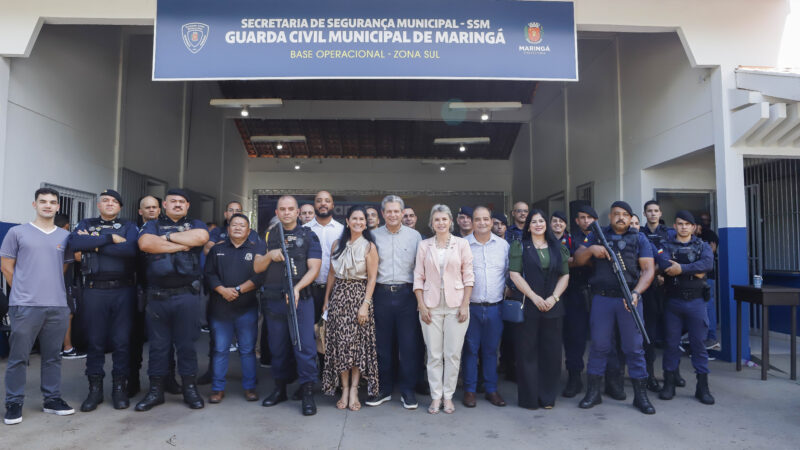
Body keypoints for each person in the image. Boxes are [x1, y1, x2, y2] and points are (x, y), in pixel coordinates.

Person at [1, 187, 76, 424]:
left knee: (53, 356)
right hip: (25, 305)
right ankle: (13, 403)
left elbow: (62, 267)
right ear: (34, 204)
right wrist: (23, 291)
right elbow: (6, 266)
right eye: (42, 201)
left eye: (52, 202)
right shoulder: (17, 232)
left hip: (57, 305)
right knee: (19, 357)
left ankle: (52, 399)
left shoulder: (65, 237)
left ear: (57, 207)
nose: (47, 205)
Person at [574, 201, 656, 415]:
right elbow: (578, 260)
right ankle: (593, 393)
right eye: (616, 214)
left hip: (629, 299)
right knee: (599, 346)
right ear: (609, 217)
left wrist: (637, 293)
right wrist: (592, 249)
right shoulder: (595, 235)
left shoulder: (640, 238)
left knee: (634, 348)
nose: (620, 217)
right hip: (602, 299)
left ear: (631, 218)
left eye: (625, 214)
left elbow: (648, 270)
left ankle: (641, 396)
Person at [135, 189, 209, 411]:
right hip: (158, 297)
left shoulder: (196, 224)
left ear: (187, 206)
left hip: (187, 295)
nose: (177, 205)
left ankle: (190, 390)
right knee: (158, 347)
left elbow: (201, 238)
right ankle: (156, 391)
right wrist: (180, 245)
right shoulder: (152, 225)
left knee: (186, 346)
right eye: (173, 201)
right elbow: (146, 244)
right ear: (164, 205)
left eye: (182, 202)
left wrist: (165, 239)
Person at [68, 189, 138, 412]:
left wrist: (94, 246)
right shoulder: (86, 223)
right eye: (105, 200)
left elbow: (130, 250)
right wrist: (109, 239)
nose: (109, 203)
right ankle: (95, 391)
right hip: (94, 290)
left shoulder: (128, 226)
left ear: (120, 206)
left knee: (121, 342)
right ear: (98, 205)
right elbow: (74, 244)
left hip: (123, 291)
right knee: (95, 342)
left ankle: (119, 389)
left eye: (114, 201)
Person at [254, 195, 321, 416]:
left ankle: (307, 392)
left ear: (298, 211)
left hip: (301, 299)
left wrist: (297, 288)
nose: (286, 212)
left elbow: (314, 269)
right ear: (276, 212)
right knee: (278, 347)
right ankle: (279, 389)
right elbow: (256, 266)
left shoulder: (309, 235)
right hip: (274, 300)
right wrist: (270, 256)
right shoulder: (267, 235)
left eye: (290, 209)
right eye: (282, 209)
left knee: (305, 348)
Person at [414, 204, 474, 414]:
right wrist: (421, 305)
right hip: (430, 305)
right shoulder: (424, 246)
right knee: (433, 354)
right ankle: (435, 396)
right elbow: (418, 277)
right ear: (431, 223)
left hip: (456, 305)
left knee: (453, 354)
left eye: (444, 219)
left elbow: (468, 276)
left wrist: (465, 304)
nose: (441, 223)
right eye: (437, 219)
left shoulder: (461, 244)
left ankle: (448, 397)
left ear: (451, 222)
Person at [508, 209, 569, 409]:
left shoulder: (557, 247)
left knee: (551, 354)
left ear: (547, 224)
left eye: (541, 221)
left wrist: (554, 297)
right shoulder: (520, 246)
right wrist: (534, 297)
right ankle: (529, 399)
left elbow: (564, 276)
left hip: (553, 307)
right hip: (529, 306)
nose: (538, 224)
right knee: (527, 353)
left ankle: (547, 397)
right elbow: (515, 275)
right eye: (533, 221)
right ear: (528, 226)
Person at [366, 195, 422, 410]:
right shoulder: (372, 236)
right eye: (388, 211)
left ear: (402, 212)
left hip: (407, 295)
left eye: (396, 211)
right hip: (380, 294)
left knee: (408, 345)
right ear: (383, 213)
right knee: (382, 345)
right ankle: (384, 388)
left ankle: (407, 390)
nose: (392, 215)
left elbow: (420, 268)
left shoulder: (414, 236)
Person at [321, 206, 380, 411]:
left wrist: (365, 305)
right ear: (347, 221)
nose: (358, 222)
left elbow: (372, 278)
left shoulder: (369, 246)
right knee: (340, 345)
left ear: (366, 222)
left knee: (356, 346)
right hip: (339, 297)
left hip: (358, 297)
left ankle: (355, 388)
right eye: (354, 218)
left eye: (362, 219)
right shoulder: (338, 244)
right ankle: (344, 388)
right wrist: (327, 298)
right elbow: (331, 273)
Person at [204, 214, 265, 404]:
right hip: (220, 310)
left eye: (242, 225)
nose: (238, 228)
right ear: (228, 228)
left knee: (247, 350)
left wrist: (237, 290)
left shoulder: (256, 250)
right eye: (234, 224)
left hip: (246, 308)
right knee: (220, 349)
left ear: (249, 230)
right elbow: (209, 274)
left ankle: (249, 387)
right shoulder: (217, 249)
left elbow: (260, 277)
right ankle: (217, 388)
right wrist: (223, 290)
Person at [658, 211, 715, 405]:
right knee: (671, 344)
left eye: (687, 224)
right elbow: (664, 264)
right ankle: (669, 383)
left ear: (693, 227)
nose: (683, 227)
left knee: (699, 345)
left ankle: (703, 387)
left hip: (696, 302)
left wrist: (681, 269)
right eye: (680, 223)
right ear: (674, 226)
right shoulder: (666, 245)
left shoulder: (702, 245)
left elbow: (708, 264)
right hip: (673, 302)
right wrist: (694, 270)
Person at [130, 195, 181, 398]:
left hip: (162, 292)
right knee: (134, 340)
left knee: (166, 341)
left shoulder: (167, 230)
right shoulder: (132, 231)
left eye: (155, 207)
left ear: (160, 210)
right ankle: (132, 382)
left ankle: (169, 380)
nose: (152, 210)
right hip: (136, 291)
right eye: (147, 207)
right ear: (140, 211)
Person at [463, 206, 508, 408]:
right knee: (470, 350)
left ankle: (491, 389)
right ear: (472, 222)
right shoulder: (462, 245)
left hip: (495, 308)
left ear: (492, 222)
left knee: (491, 350)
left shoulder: (503, 246)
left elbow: (509, 274)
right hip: (470, 307)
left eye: (486, 219)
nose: (482, 223)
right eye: (477, 219)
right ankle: (470, 390)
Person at [561, 205, 597, 398]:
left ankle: (605, 379)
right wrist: (589, 257)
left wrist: (581, 258)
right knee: (574, 338)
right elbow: (568, 261)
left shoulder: (603, 237)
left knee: (603, 338)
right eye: (582, 217)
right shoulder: (569, 238)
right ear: (576, 221)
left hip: (599, 293)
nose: (586, 221)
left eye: (590, 217)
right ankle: (574, 378)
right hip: (575, 293)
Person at [640, 200, 672, 392]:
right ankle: (649, 375)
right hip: (649, 291)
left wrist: (660, 274)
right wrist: (654, 275)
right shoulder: (639, 234)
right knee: (649, 335)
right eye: (649, 211)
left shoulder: (669, 234)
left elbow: (673, 257)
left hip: (668, 288)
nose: (652, 214)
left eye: (655, 211)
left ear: (660, 213)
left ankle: (672, 374)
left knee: (671, 334)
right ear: (644, 214)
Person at [304, 191, 344, 325]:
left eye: (327, 201)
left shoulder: (342, 231)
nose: (323, 204)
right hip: (309, 289)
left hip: (335, 290)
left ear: (332, 205)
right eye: (319, 200)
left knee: (332, 332)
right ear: (314, 205)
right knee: (309, 331)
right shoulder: (304, 230)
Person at [56, 214, 85, 360]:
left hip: (46, 284)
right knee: (68, 314)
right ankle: (67, 348)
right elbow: (78, 257)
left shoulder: (49, 238)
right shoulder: (66, 237)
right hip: (62, 283)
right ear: (67, 225)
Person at [697, 212, 720, 351]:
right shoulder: (692, 237)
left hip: (708, 277)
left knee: (708, 306)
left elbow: (709, 257)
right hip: (694, 277)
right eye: (703, 220)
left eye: (707, 220)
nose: (705, 223)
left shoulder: (711, 236)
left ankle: (710, 337)